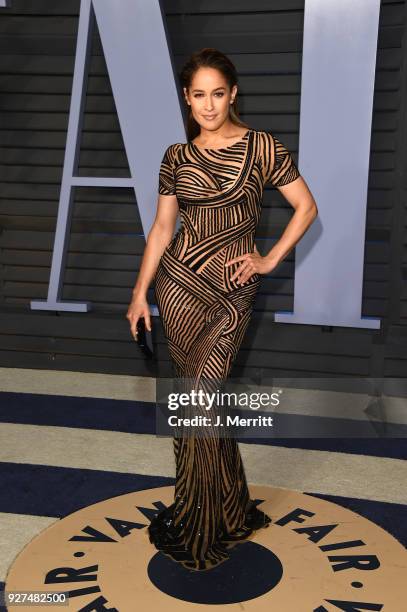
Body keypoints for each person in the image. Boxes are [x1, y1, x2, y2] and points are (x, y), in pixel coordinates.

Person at [126, 47, 318, 571]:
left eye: (217, 94)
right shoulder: (175, 157)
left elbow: (307, 206)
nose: (208, 105)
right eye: (197, 95)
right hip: (180, 286)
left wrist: (269, 259)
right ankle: (223, 507)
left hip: (233, 289)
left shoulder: (261, 148)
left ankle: (204, 523)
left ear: (232, 94)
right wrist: (140, 292)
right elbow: (163, 230)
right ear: (186, 100)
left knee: (202, 398)